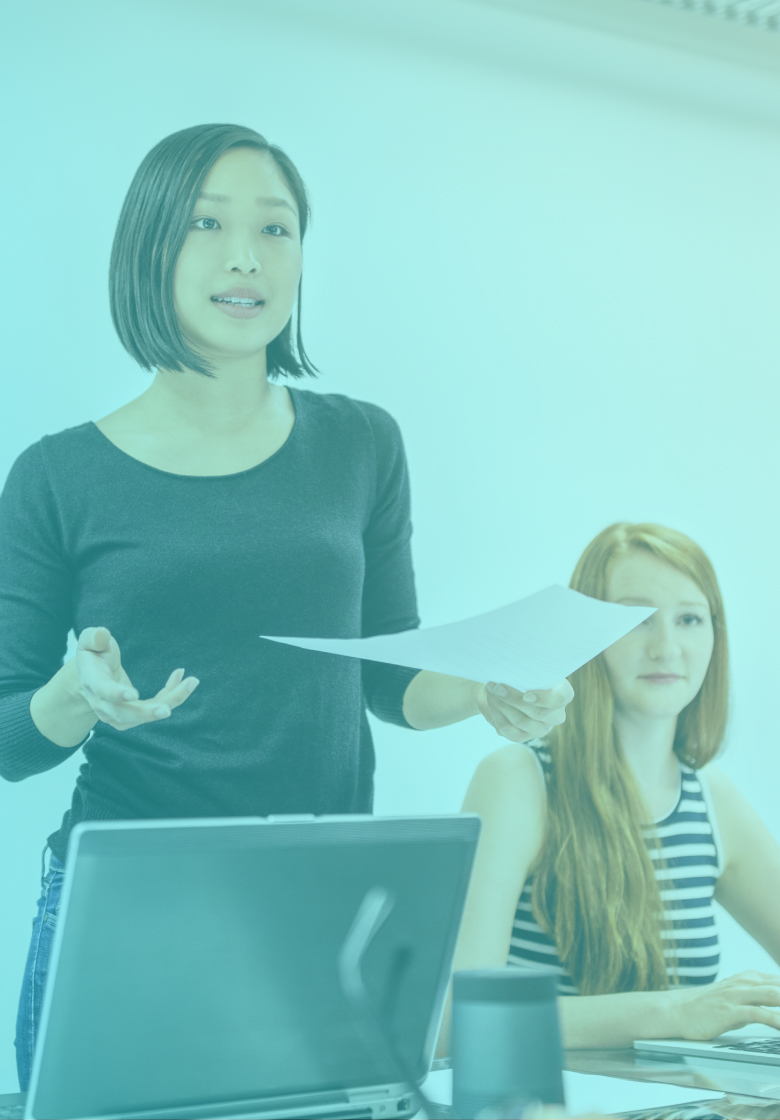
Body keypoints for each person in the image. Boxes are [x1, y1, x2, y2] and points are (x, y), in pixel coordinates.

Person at [0, 123, 573, 1088]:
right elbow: (10, 738)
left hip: (321, 902)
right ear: (148, 246)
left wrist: (484, 689)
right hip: (132, 904)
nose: (246, 257)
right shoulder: (57, 476)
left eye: (275, 229)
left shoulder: (361, 445)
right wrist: (74, 694)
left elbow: (387, 675)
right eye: (207, 224)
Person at [440, 522, 780, 1051]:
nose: (667, 647)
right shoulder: (517, 781)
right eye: (637, 620)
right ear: (583, 639)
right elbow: (456, 1020)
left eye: (689, 619)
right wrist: (675, 1010)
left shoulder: (711, 800)